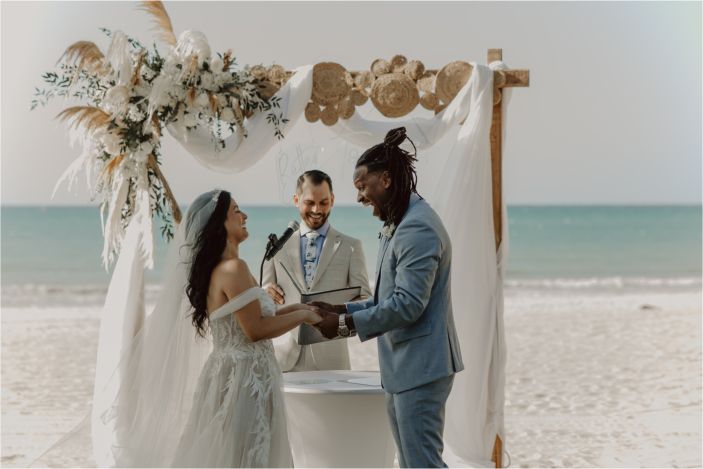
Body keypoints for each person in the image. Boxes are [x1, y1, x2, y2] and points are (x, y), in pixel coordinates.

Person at [93, 190, 322, 468]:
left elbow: (262, 316)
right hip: (244, 377)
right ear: (219, 223)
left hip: (239, 372)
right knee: (245, 453)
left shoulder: (227, 268)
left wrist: (304, 310)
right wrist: (304, 318)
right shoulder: (233, 268)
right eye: (236, 211)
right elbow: (255, 330)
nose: (244, 215)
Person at [313, 128, 464, 468]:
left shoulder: (417, 227)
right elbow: (388, 298)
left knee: (422, 463)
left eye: (362, 186)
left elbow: (409, 305)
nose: (360, 197)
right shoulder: (400, 222)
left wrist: (341, 325)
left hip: (421, 368)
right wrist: (340, 309)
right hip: (405, 367)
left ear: (385, 179)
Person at [262, 170, 372, 372]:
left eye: (324, 202)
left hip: (332, 360)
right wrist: (264, 292)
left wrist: (338, 313)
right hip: (283, 359)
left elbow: (366, 300)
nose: (316, 209)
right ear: (296, 200)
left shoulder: (351, 246)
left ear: (332, 200)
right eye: (310, 202)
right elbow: (264, 307)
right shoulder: (277, 248)